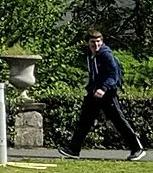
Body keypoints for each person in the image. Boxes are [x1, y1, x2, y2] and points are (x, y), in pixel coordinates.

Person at [63, 30, 147, 160]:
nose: (96, 45)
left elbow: (113, 74)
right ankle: (74, 149)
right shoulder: (90, 55)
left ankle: (137, 148)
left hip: (107, 94)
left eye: (98, 42)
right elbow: (94, 75)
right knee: (84, 121)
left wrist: (103, 88)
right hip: (94, 94)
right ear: (88, 43)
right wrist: (91, 88)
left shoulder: (105, 55)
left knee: (119, 121)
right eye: (93, 42)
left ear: (102, 42)